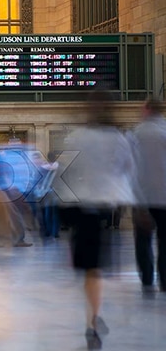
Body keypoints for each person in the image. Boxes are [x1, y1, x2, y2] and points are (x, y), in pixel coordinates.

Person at [59, 89, 135, 349]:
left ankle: (92, 320)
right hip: (104, 207)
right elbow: (127, 170)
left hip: (82, 207)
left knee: (90, 270)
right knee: (96, 270)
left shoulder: (77, 136)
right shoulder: (118, 138)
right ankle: (93, 318)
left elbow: (66, 171)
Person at [130, 98, 166, 293]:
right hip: (164, 198)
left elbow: (130, 167)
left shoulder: (136, 133)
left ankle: (146, 278)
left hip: (143, 197)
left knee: (143, 240)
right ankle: (165, 280)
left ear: (148, 109)